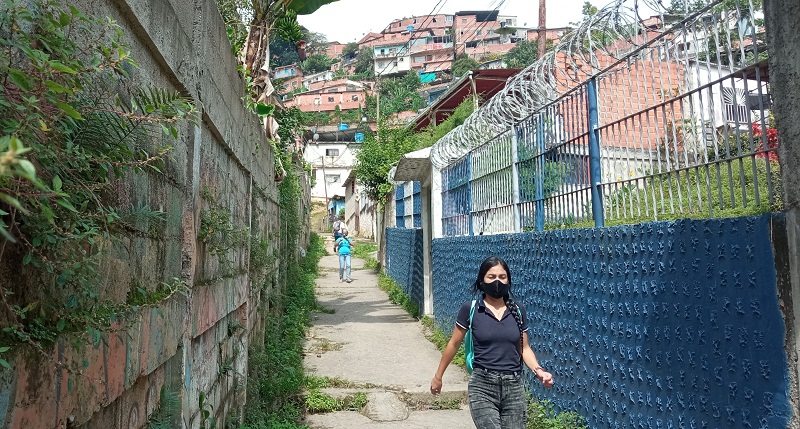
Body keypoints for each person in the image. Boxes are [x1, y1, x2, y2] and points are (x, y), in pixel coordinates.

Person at [430, 256, 553, 429]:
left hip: (514, 387)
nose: (497, 282)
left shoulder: (517, 310)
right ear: (482, 280)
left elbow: (524, 348)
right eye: (491, 277)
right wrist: (438, 376)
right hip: (482, 386)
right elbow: (454, 344)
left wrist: (539, 371)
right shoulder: (471, 309)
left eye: (502, 277)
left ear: (509, 280)